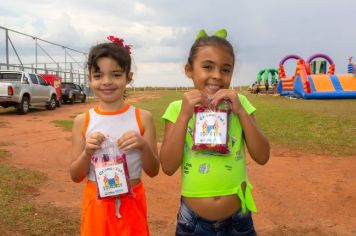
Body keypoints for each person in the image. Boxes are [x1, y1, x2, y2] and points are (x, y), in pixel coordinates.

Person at [159, 29, 270, 236]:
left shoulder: (240, 104)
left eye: (225, 69)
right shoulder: (177, 108)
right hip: (192, 222)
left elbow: (262, 156)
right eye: (207, 67)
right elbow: (167, 165)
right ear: (189, 70)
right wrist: (184, 115)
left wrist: (240, 111)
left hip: (238, 220)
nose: (217, 75)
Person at [70, 35, 160, 236]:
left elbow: (154, 170)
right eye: (98, 75)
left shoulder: (143, 118)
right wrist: (86, 153)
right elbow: (75, 175)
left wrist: (143, 146)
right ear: (90, 78)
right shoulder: (82, 121)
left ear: (129, 76)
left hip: (132, 203)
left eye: (116, 75)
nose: (107, 82)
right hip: (96, 206)